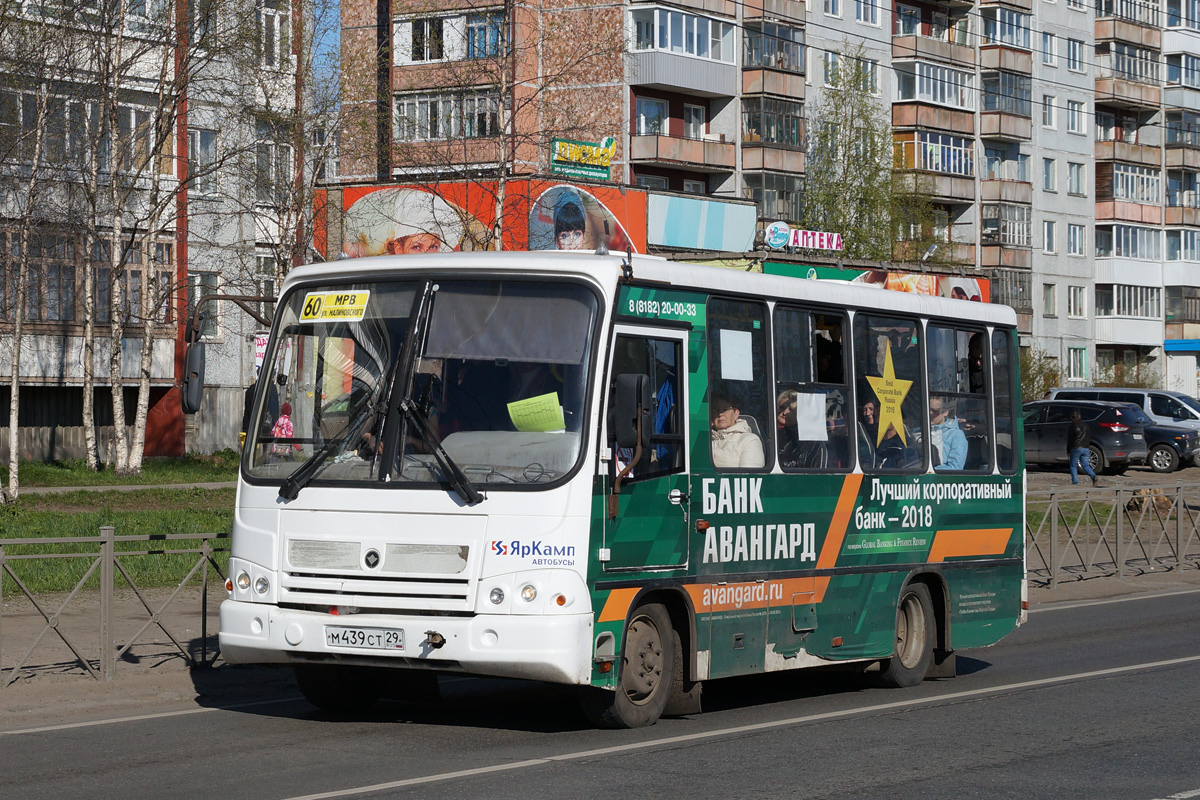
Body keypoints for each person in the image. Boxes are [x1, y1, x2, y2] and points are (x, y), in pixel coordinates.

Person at [710, 395, 765, 469]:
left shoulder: (749, 440)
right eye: (716, 410)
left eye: (725, 409)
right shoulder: (705, 440)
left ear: (736, 414)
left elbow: (749, 475)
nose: (720, 414)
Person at [929, 397, 967, 471]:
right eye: (928, 410)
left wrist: (930, 469)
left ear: (945, 412)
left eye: (935, 411)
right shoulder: (919, 431)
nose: (930, 413)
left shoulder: (956, 435)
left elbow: (956, 467)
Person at [1068, 409, 1098, 486]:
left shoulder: (1072, 426)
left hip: (1076, 447)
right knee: (1085, 465)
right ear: (1079, 416)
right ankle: (1093, 475)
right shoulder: (1086, 425)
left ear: (1072, 418)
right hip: (1086, 447)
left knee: (1073, 465)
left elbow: (1070, 439)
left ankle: (1075, 481)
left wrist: (1068, 450)